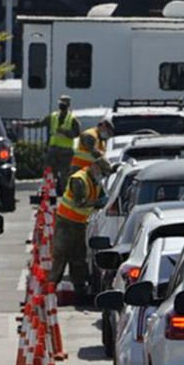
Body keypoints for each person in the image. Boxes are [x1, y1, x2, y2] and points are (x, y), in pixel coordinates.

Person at [48, 122, 114, 302]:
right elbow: (80, 202)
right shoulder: (79, 179)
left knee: (79, 259)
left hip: (79, 225)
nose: (102, 177)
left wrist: (104, 201)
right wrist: (97, 202)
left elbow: (100, 199)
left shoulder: (95, 182)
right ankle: (49, 292)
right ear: (95, 168)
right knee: (60, 256)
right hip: (66, 222)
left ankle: (80, 293)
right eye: (102, 173)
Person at [20, 95, 81, 191]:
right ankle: (49, 194)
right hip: (53, 150)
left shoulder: (72, 119)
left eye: (63, 104)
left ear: (68, 105)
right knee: (49, 172)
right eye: (60, 103)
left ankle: (65, 195)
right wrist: (23, 124)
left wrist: (65, 132)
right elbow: (39, 123)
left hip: (66, 152)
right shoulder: (53, 116)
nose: (61, 105)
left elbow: (77, 133)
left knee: (65, 175)